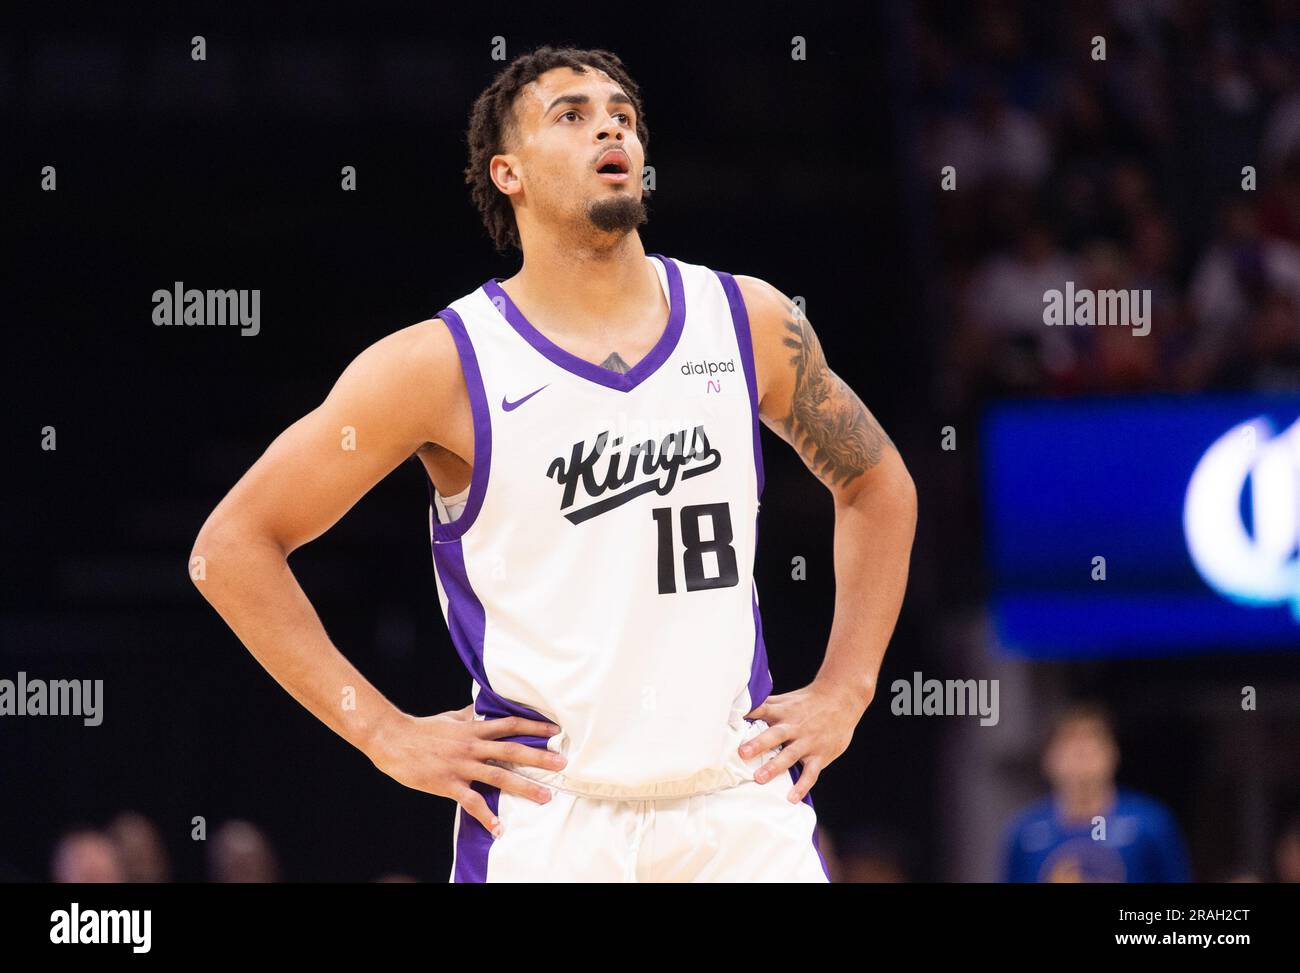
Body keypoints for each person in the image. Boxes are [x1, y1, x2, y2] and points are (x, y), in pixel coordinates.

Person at [190, 45, 917, 882]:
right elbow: (232, 546)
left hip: (739, 804)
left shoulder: (746, 319)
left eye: (623, 114)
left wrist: (847, 687)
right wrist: (383, 731)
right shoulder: (442, 365)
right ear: (509, 172)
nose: (610, 123)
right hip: (549, 820)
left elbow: (875, 481)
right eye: (570, 114)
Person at [1003, 704, 1191, 882]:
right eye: (1071, 749)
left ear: (1113, 754)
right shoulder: (1026, 832)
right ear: (1049, 759)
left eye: (1091, 748)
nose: (1082, 760)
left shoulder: (1149, 824)